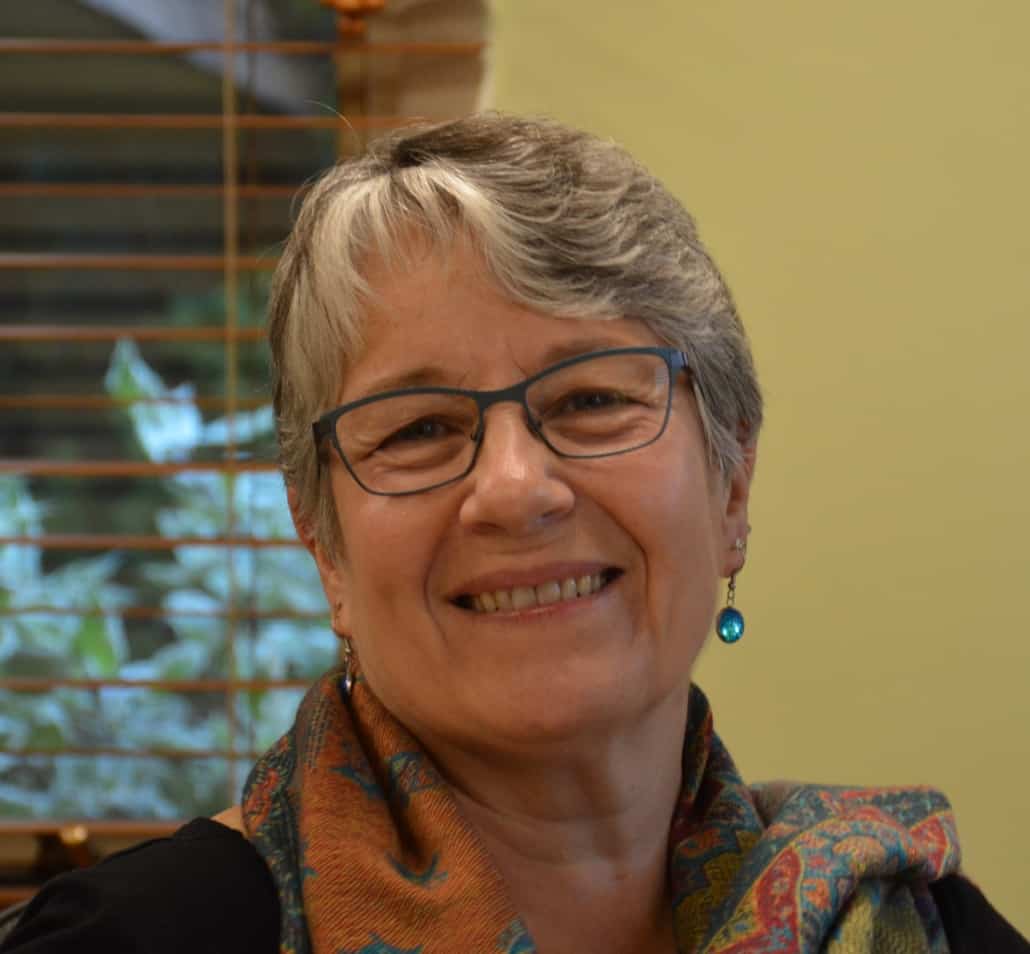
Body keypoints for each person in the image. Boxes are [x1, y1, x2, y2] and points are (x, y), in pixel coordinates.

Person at [3, 113, 1026, 954]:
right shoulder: (130, 943)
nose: (513, 488)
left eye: (590, 401)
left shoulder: (920, 933)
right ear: (324, 546)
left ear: (731, 488)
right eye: (419, 428)